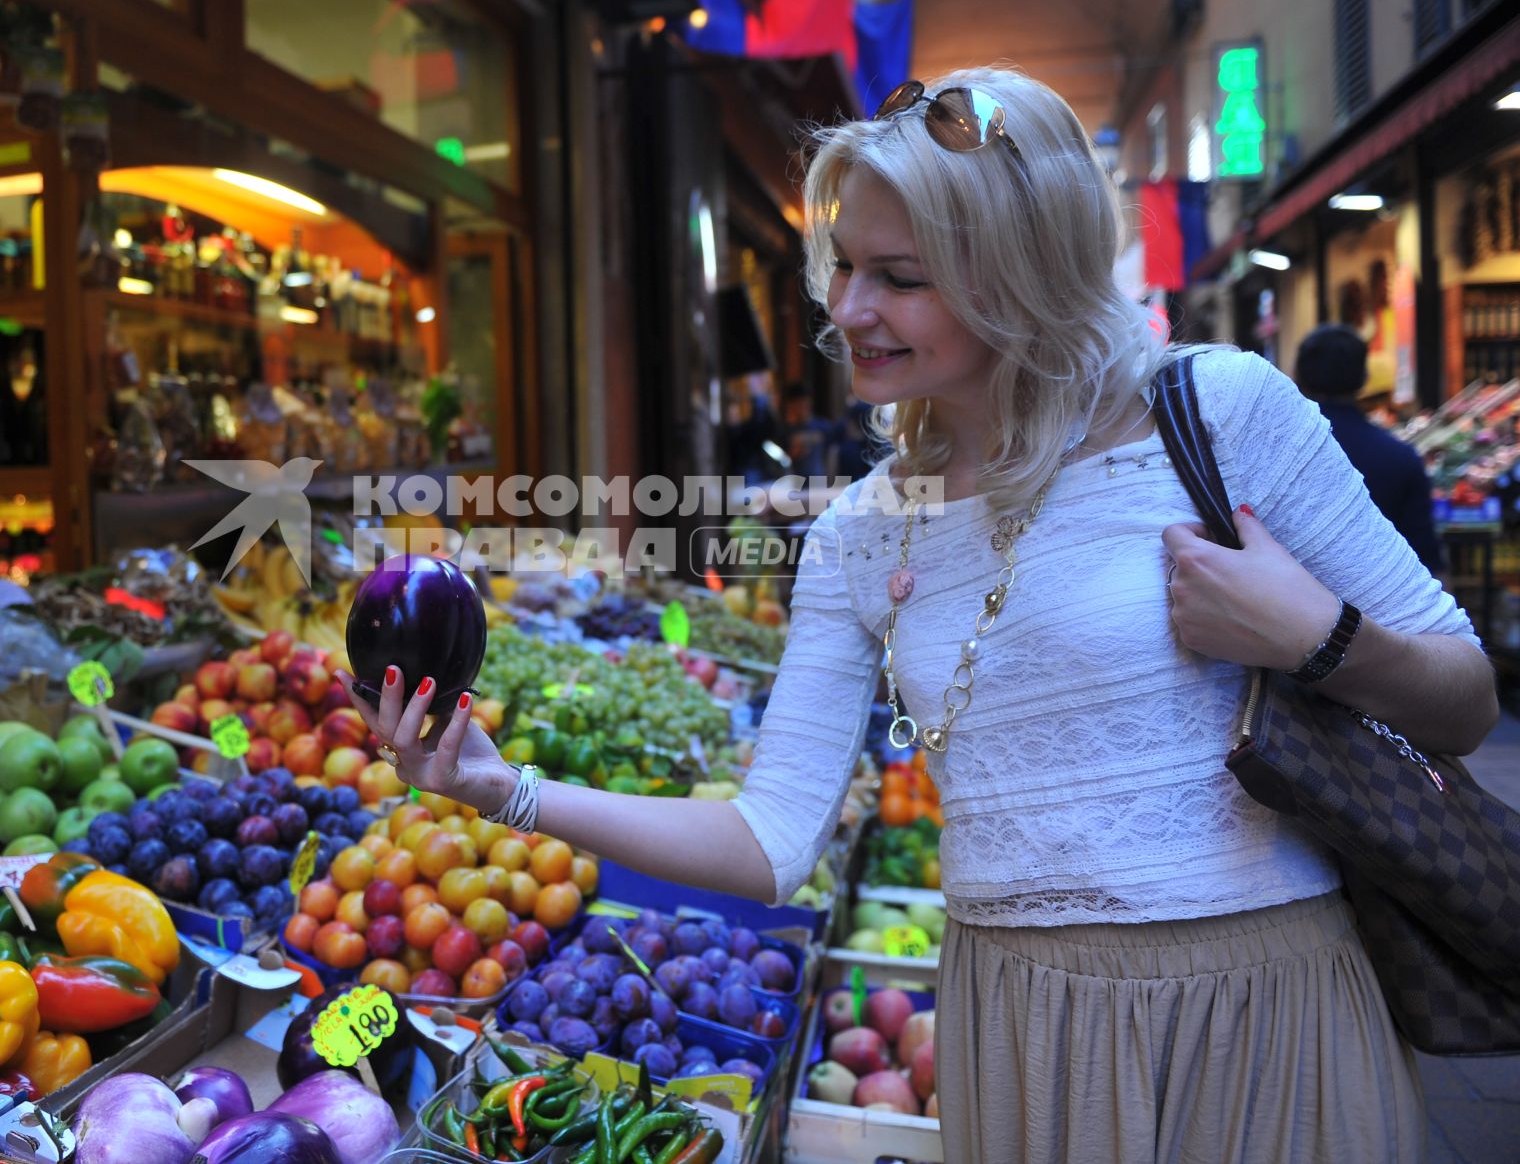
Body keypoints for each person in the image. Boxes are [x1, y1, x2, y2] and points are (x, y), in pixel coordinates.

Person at [339, 67, 1497, 1163]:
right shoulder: (859, 531)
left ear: (1020, 265)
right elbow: (771, 839)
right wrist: (506, 791)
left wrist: (1315, 638)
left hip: (1258, 1011)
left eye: (900, 276)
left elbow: (1464, 694)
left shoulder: (1217, 413)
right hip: (1022, 1033)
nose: (847, 308)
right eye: (843, 267)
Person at [1294, 324, 1445, 575]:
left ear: (1296, 375)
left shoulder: (1275, 451)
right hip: (1380, 601)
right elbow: (1426, 558)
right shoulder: (1400, 457)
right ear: (1364, 378)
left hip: (1287, 603)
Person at [781, 381, 843, 479]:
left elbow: (833, 454)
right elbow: (782, 459)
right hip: (795, 480)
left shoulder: (823, 426)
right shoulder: (786, 430)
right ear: (791, 405)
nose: (802, 406)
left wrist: (832, 477)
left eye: (804, 402)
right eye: (798, 403)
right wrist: (794, 454)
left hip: (819, 479)